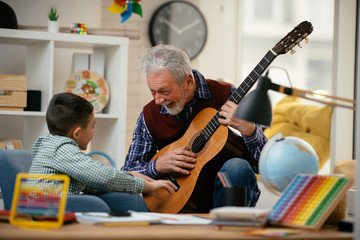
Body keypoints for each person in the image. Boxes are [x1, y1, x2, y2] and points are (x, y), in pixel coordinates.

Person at [122, 44, 268, 213]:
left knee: (237, 167)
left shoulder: (227, 95)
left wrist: (250, 130)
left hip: (225, 194)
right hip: (178, 202)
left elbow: (263, 167)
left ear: (188, 81)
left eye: (164, 91)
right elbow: (126, 174)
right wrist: (157, 166)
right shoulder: (149, 115)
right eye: (152, 91)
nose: (157, 100)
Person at [29, 92, 177, 212]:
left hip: (43, 208)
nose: (94, 131)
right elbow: (102, 177)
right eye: (93, 126)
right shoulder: (62, 149)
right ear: (77, 133)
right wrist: (146, 186)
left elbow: (91, 183)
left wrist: (130, 176)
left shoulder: (48, 146)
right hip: (46, 211)